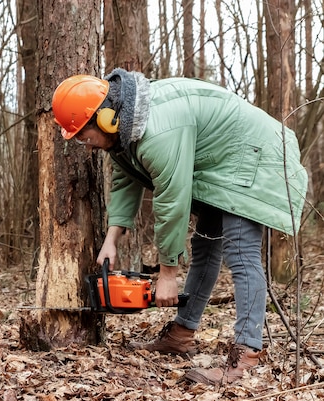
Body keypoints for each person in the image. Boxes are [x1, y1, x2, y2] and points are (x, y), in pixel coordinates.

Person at [51, 69, 308, 385]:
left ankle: (246, 358)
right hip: (221, 164)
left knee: (240, 251)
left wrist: (168, 273)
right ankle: (182, 335)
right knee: (205, 246)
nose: (88, 147)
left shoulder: (157, 131)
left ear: (105, 120)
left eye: (86, 138)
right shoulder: (124, 131)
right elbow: (124, 181)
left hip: (256, 155)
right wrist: (111, 239)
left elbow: (172, 201)